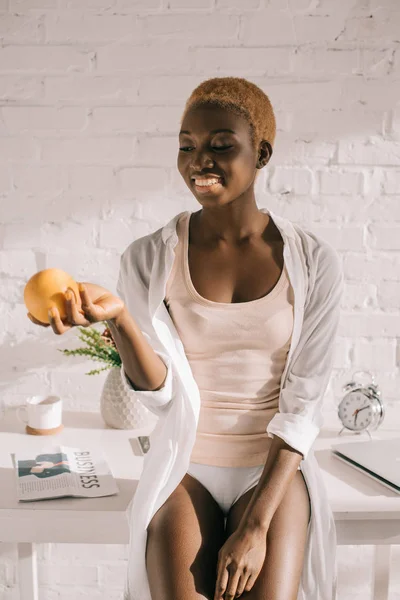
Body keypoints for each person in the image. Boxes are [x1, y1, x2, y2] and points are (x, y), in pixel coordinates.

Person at [27, 76, 343, 600]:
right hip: (184, 466)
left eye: (221, 145)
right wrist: (121, 320)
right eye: (188, 146)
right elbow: (163, 392)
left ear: (261, 152)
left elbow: (304, 405)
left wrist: (257, 527)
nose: (201, 161)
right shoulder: (149, 258)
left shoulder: (313, 261)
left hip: (271, 474)